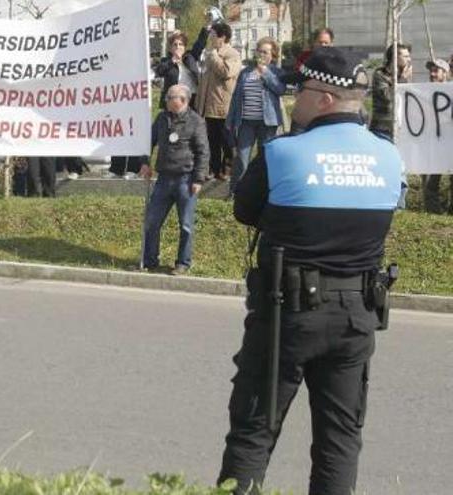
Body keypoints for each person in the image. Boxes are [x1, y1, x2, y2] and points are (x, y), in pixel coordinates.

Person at [218, 47, 404, 495]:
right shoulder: (389, 158)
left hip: (287, 314)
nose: (292, 98)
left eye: (300, 90)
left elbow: (245, 209)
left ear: (324, 98)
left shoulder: (283, 153)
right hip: (357, 314)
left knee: (253, 433)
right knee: (340, 442)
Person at [139, 84, 209, 275]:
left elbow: (203, 152)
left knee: (186, 225)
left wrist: (199, 179)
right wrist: (144, 162)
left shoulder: (196, 121)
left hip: (185, 181)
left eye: (171, 97)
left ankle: (183, 263)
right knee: (152, 221)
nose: (167, 100)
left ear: (183, 100)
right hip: (163, 179)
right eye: (168, 97)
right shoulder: (162, 118)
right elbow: (149, 140)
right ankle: (150, 260)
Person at [226, 37, 286, 197]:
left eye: (265, 52)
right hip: (246, 122)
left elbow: (280, 89)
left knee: (264, 159)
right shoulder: (245, 72)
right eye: (259, 51)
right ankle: (235, 192)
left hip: (268, 123)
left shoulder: (277, 72)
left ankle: (263, 193)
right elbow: (236, 97)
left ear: (272, 55)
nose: (261, 55)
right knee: (242, 158)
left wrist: (265, 73)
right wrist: (230, 119)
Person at [195, 22, 242, 181]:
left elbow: (226, 72)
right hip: (207, 106)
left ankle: (227, 170)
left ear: (222, 37)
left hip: (223, 107)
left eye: (213, 35)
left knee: (226, 142)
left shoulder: (232, 54)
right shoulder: (210, 53)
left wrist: (214, 56)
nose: (211, 38)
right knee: (210, 141)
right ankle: (213, 170)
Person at [421, 58, 451, 213]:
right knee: (430, 182)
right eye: (430, 70)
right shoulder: (421, 92)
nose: (432, 74)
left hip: (449, 144)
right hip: (430, 144)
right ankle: (433, 213)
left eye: (436, 70)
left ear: (445, 73)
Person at [153, 29, 209, 107]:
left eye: (180, 44)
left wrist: (205, 31)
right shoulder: (166, 61)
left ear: (184, 47)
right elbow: (159, 71)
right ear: (170, 48)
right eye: (175, 44)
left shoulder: (190, 57)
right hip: (174, 100)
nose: (178, 47)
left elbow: (199, 44)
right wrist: (172, 61)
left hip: (191, 98)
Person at [369, 42, 412, 139]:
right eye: (405, 56)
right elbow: (388, 96)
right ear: (395, 57)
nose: (409, 60)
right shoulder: (380, 74)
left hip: (400, 127)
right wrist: (402, 80)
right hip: (383, 127)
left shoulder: (403, 73)